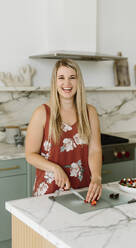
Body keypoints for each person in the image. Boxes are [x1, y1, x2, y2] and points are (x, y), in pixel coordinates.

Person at [25, 58, 102, 203]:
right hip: (48, 192)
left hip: (83, 190)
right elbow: (30, 155)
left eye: (72, 78)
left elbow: (95, 150)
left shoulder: (89, 112)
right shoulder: (42, 113)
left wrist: (97, 177)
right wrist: (55, 168)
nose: (67, 83)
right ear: (55, 82)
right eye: (61, 78)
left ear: (79, 82)